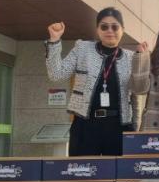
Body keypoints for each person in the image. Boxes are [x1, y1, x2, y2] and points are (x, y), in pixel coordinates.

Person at [46, 8, 135, 156]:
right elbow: (56, 74)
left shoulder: (131, 58)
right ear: (97, 29)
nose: (110, 31)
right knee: (83, 169)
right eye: (104, 26)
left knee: (117, 171)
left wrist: (144, 61)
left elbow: (140, 89)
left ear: (123, 30)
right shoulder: (82, 49)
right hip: (85, 125)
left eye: (115, 27)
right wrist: (54, 41)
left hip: (119, 126)